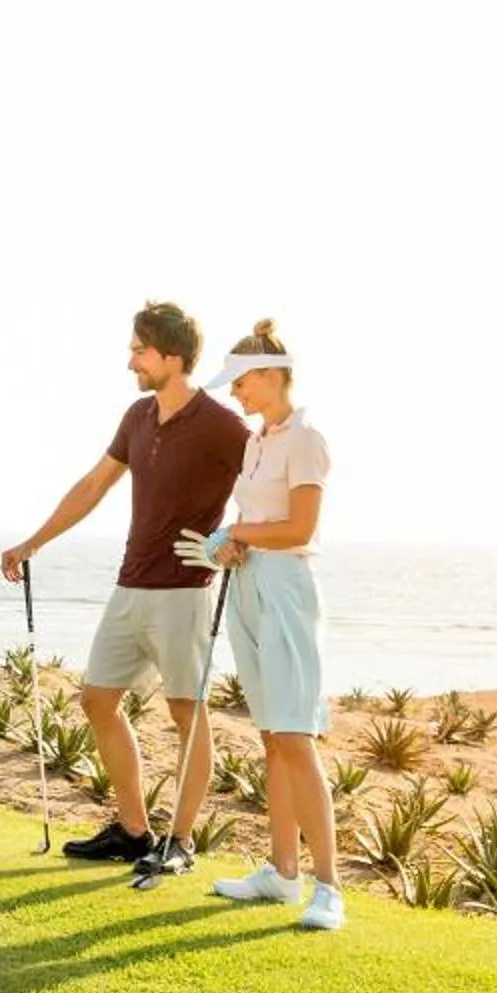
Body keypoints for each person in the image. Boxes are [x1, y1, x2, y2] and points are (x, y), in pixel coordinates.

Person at [0, 302, 249, 880]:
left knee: (187, 713)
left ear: (173, 357)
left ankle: (180, 841)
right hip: (130, 584)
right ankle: (135, 832)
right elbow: (93, 485)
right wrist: (33, 542)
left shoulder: (221, 424)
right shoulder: (138, 416)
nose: (130, 359)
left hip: (186, 590)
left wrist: (235, 538)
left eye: (139, 349)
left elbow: (263, 487)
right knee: (96, 699)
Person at [176, 322, 341, 930]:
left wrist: (236, 533)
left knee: (295, 735)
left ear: (272, 376)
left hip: (288, 590)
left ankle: (328, 887)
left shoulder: (307, 439)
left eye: (242, 381)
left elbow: (299, 529)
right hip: (247, 584)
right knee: (271, 735)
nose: (236, 392)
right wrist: (230, 547)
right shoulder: (256, 442)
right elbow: (253, 519)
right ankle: (282, 873)